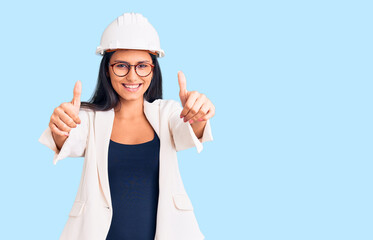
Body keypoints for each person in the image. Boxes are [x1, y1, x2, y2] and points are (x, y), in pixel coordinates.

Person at [39, 12, 214, 240]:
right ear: (107, 69)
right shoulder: (89, 118)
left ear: (153, 69)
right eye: (121, 65)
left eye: (142, 66)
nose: (132, 76)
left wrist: (198, 114)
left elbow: (188, 131)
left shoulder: (167, 113)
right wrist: (60, 125)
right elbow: (68, 140)